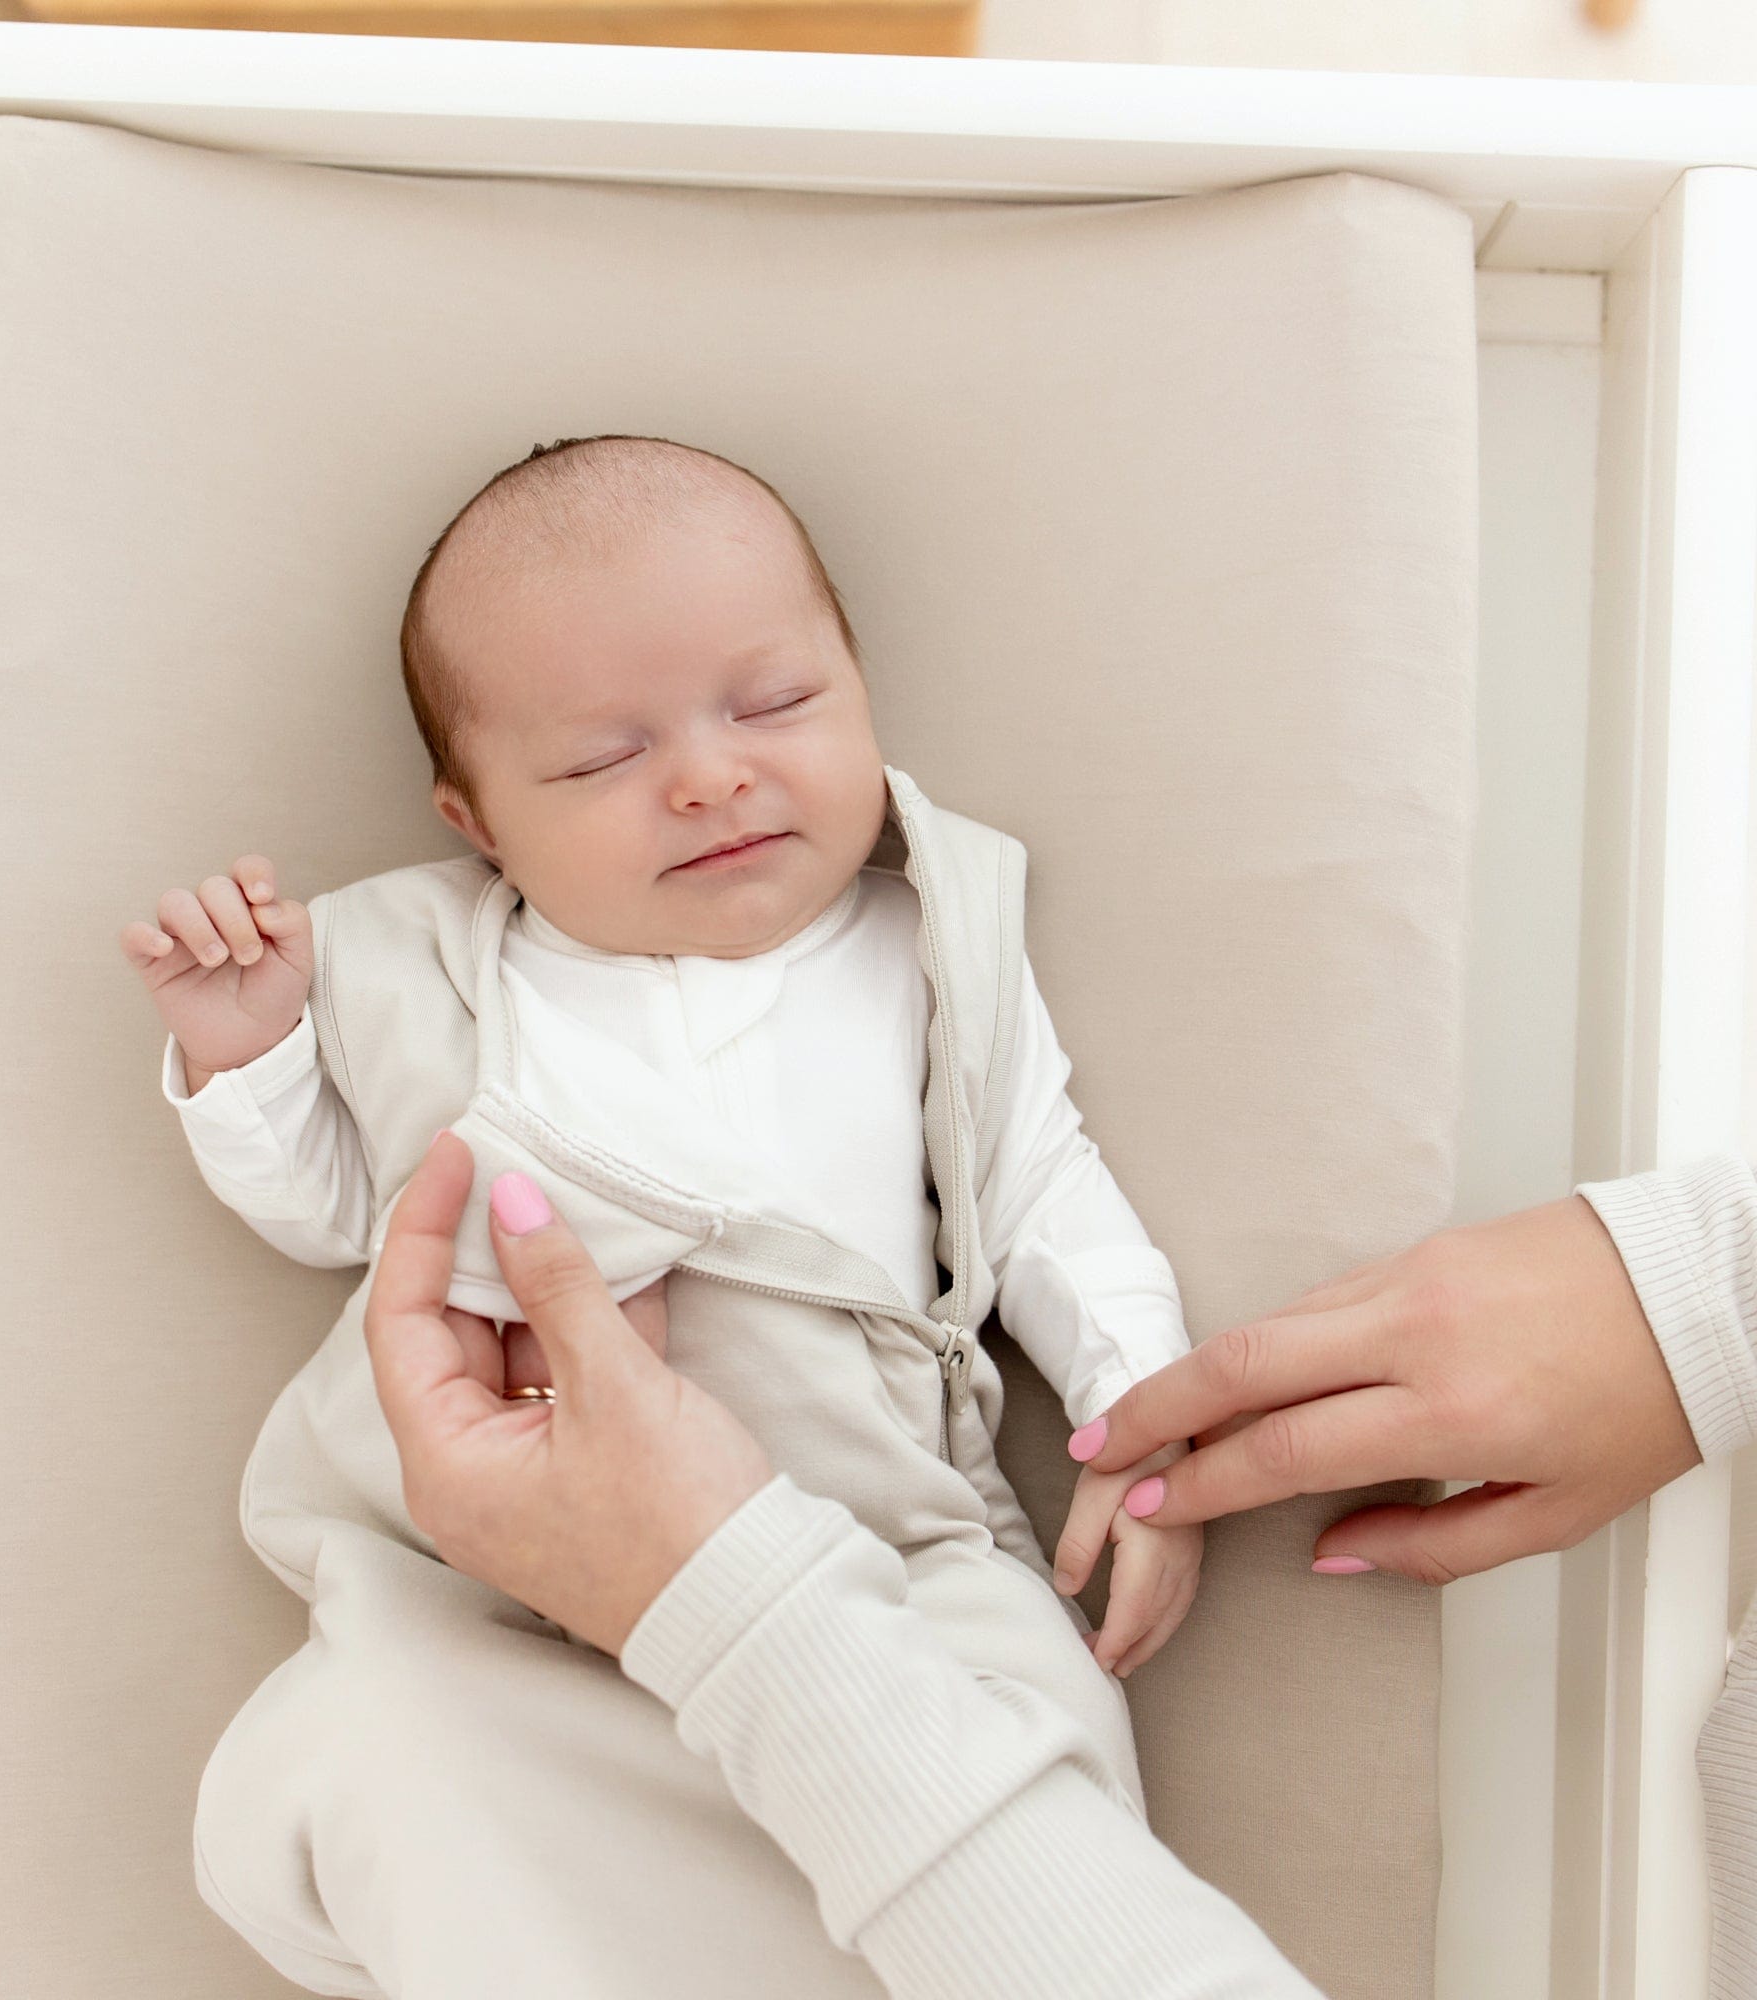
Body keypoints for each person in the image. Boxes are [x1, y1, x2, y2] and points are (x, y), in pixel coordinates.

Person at [128, 433, 1216, 1995]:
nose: (711, 775)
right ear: (479, 820)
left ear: (858, 686)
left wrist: (1139, 1410)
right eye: (599, 761)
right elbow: (339, 1220)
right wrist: (246, 1052)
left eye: (776, 705)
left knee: (1037, 1753)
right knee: (378, 1747)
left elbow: (1041, 1181)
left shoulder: (926, 937)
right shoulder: (419, 964)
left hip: (870, 1530)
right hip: (500, 1585)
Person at [362, 1135, 1757, 1999]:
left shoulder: (923, 933)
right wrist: (1716, 1289)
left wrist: (730, 1608)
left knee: (388, 1744)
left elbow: (1035, 1177)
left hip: (814, 1568)